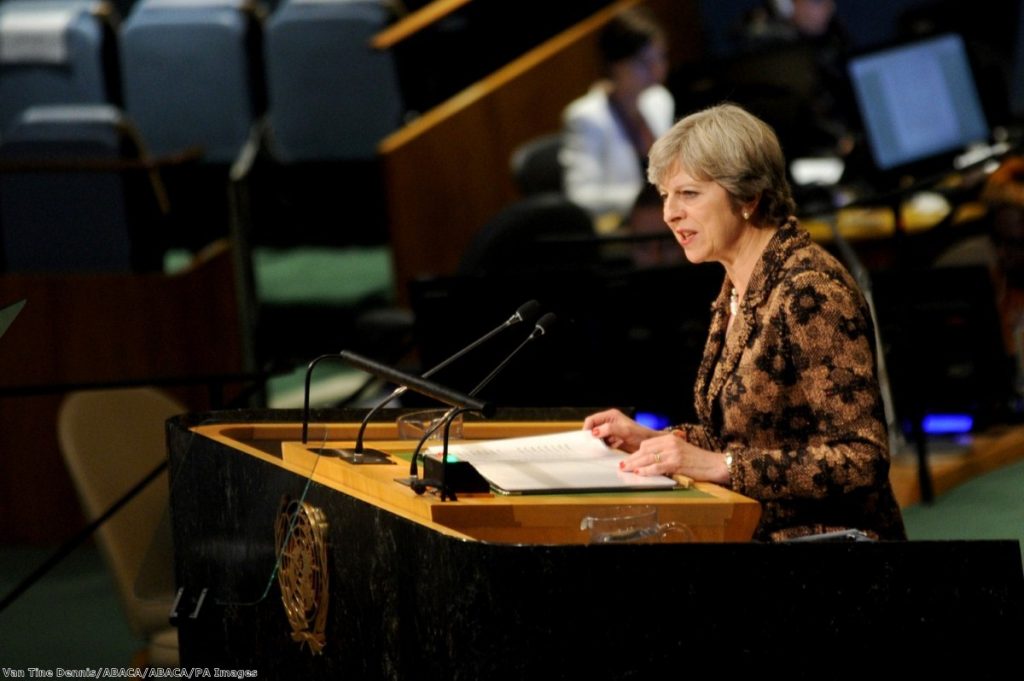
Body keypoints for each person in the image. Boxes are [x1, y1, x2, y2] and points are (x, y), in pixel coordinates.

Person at [583, 103, 907, 542]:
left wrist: (723, 467)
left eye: (689, 194)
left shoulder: (810, 291)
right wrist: (652, 441)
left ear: (748, 198)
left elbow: (861, 457)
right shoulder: (739, 283)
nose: (669, 214)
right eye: (665, 196)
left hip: (830, 552)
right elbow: (744, 436)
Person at [561, 7, 674, 226]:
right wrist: (651, 197)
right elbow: (581, 196)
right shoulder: (586, 117)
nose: (657, 69)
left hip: (664, 218)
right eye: (644, 62)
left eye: (660, 58)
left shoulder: (661, 100)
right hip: (620, 226)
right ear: (615, 64)